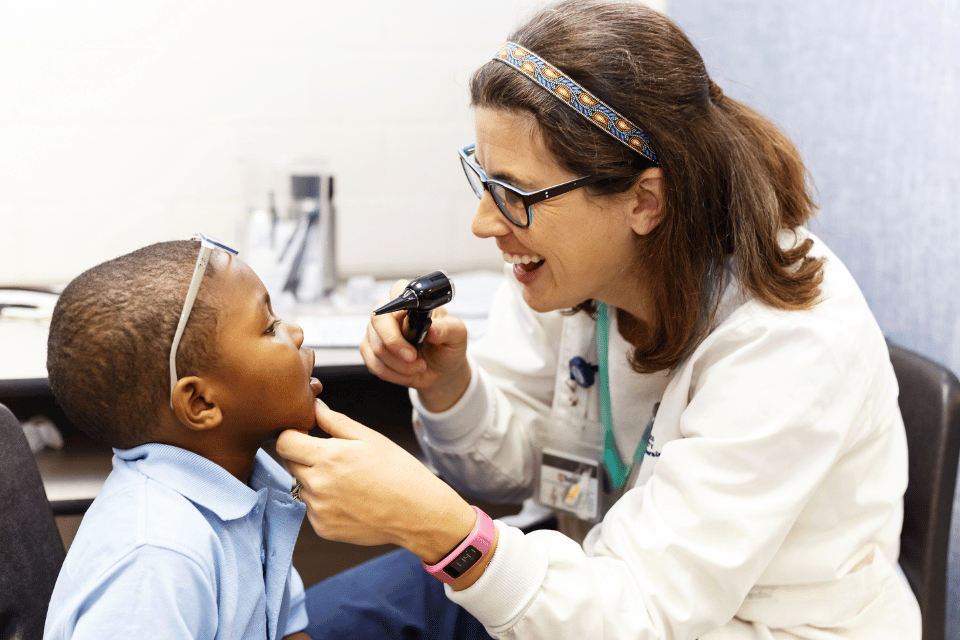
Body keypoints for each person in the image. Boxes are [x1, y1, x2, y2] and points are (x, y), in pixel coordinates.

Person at [275, 1, 921, 638]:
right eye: (486, 181)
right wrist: (452, 391)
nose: (485, 224)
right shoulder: (572, 273)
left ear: (644, 200)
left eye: (518, 195)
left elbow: (639, 614)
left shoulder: (787, 343)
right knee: (322, 621)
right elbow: (530, 461)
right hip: (594, 582)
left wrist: (435, 526)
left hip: (731, 623)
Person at [44, 234, 319, 640]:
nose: (294, 332)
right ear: (201, 403)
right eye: (269, 326)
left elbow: (282, 627)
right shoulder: (155, 559)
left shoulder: (243, 486)